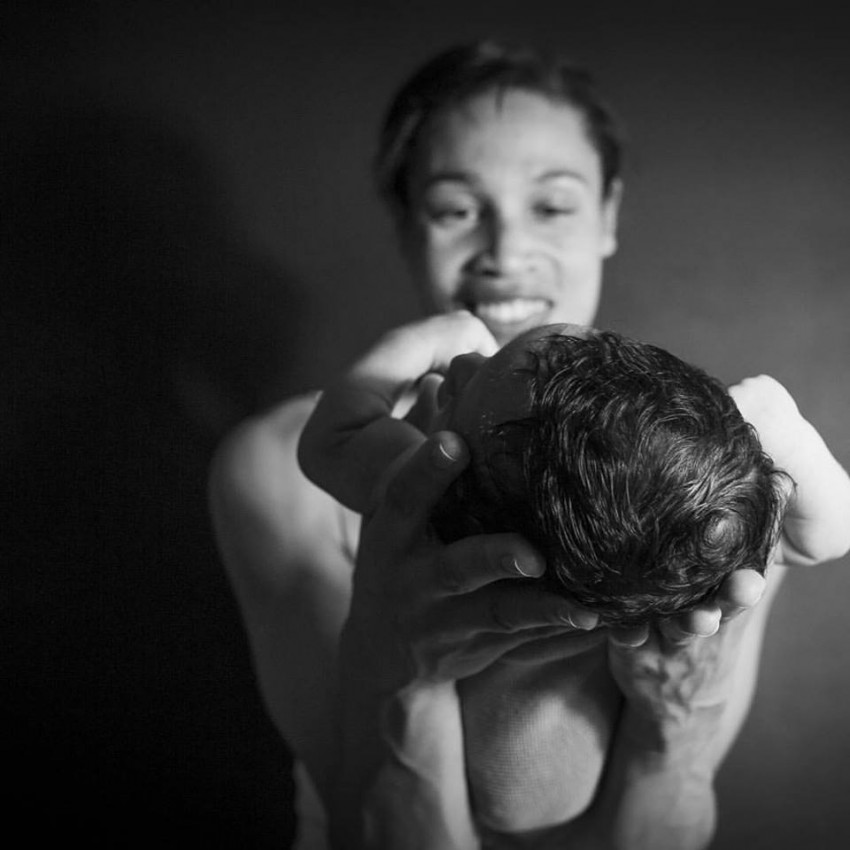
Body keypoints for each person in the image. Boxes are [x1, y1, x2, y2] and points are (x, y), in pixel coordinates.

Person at [208, 40, 850, 848]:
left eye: (551, 205)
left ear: (608, 214)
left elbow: (663, 803)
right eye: (455, 209)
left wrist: (677, 719)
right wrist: (395, 667)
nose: (507, 252)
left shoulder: (693, 466)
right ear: (406, 224)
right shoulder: (283, 470)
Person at [297, 311, 850, 839]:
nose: (462, 364)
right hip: (570, 752)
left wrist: (425, 341)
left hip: (490, 759)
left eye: (470, 381)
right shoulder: (702, 538)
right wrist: (774, 417)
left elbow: (332, 438)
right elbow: (829, 535)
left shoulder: (422, 483)